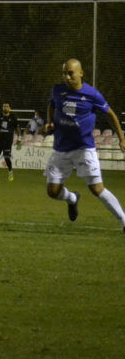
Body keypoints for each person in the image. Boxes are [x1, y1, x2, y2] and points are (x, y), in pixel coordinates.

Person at [43, 58, 125, 231]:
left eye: (70, 73)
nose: (67, 77)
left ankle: (124, 221)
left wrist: (121, 137)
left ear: (81, 73)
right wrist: (50, 122)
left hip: (84, 148)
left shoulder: (92, 94)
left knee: (97, 188)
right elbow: (51, 105)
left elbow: (110, 114)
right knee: (52, 191)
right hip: (61, 149)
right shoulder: (58, 91)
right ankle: (72, 199)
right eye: (64, 73)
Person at [0, 102, 17, 181]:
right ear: (2, 108)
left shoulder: (13, 117)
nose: (5, 107)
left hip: (7, 141)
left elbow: (17, 128)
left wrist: (19, 139)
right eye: (4, 106)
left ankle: (10, 171)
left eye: (7, 106)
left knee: (7, 158)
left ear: (10, 108)